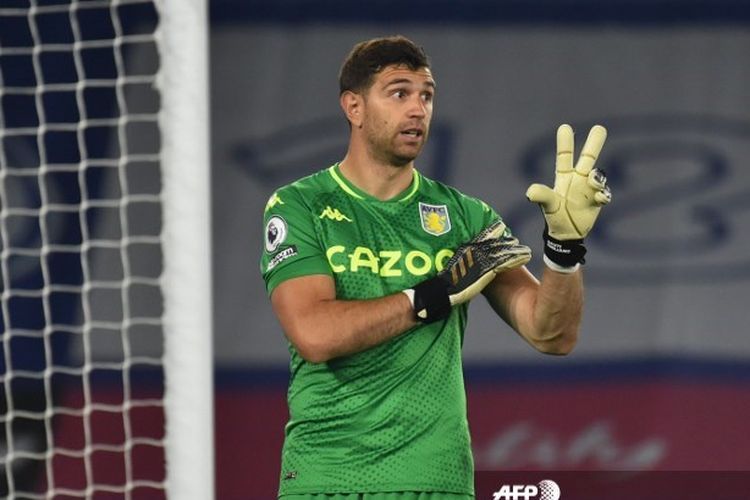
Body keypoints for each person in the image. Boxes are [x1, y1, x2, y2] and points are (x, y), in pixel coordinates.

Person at [260, 35, 611, 500]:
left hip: (437, 480)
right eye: (399, 92)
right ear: (354, 107)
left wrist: (564, 250)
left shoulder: (467, 218)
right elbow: (315, 334)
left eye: (426, 96)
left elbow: (552, 334)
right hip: (329, 476)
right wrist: (433, 295)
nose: (418, 109)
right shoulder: (299, 206)